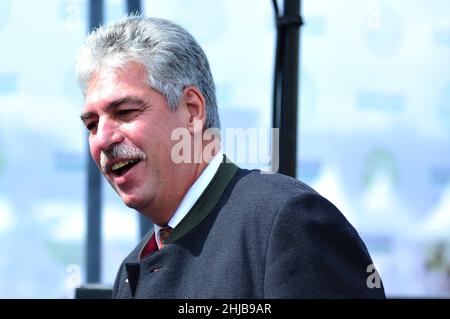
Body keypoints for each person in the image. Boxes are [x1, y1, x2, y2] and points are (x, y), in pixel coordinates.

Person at [76, 15, 385, 298]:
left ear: (193, 111)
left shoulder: (285, 221)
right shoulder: (132, 269)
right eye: (92, 124)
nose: (103, 138)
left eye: (126, 112)